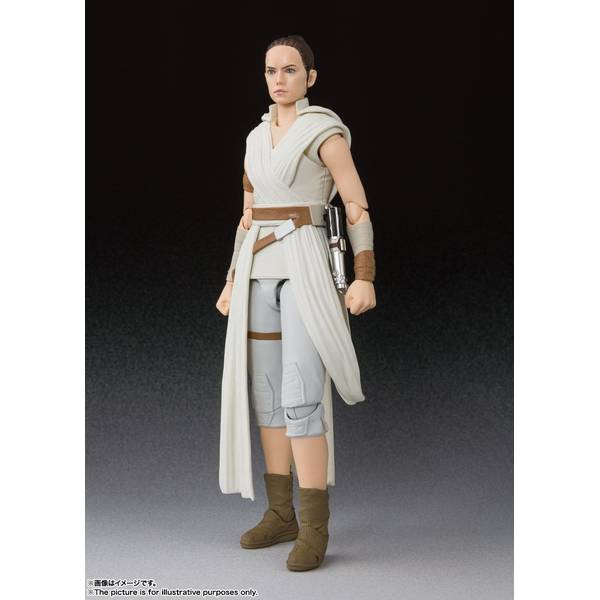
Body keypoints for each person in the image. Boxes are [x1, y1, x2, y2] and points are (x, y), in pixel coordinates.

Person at [215, 34, 376, 571]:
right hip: (258, 271)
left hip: (305, 267)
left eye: (289, 69)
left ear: (310, 76)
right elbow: (247, 216)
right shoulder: (254, 139)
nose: (279, 79)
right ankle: (281, 513)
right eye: (270, 70)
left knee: (302, 398)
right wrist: (231, 278)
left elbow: (355, 206)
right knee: (267, 398)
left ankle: (314, 527)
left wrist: (364, 275)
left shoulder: (323, 132)